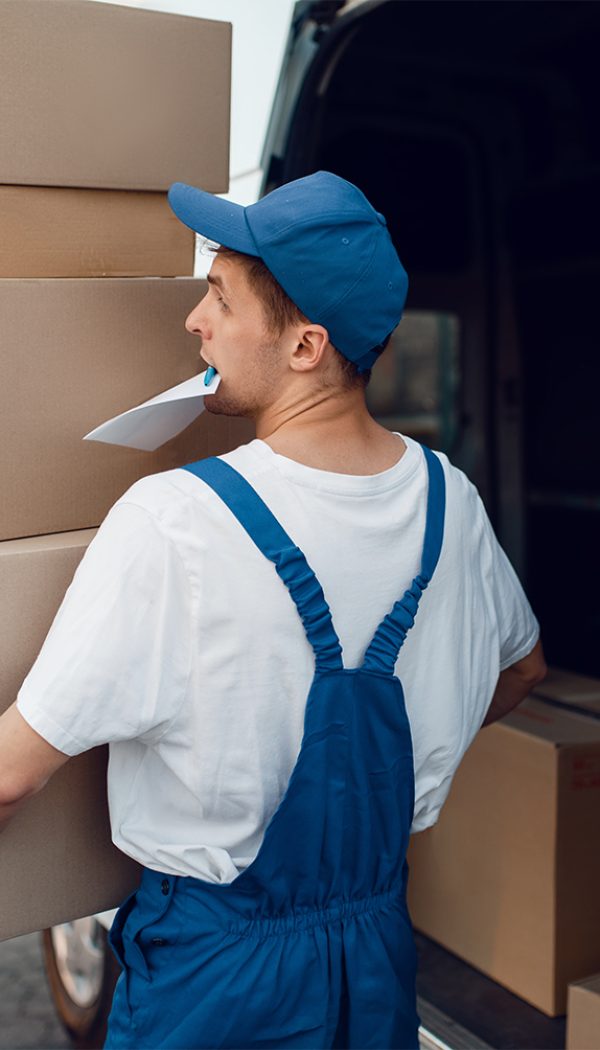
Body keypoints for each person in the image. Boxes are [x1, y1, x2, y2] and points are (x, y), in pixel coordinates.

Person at [0, 171, 546, 1048]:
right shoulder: (452, 503)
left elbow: (10, 774)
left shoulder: (177, 517)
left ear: (305, 347)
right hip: (374, 952)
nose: (194, 321)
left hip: (215, 977)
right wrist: (415, 752)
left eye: (219, 296)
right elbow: (522, 669)